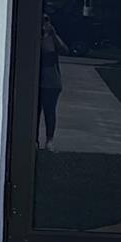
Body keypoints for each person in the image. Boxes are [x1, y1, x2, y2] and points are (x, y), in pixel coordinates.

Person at [38, 16, 68, 150]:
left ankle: (49, 140)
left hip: (51, 81)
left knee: (49, 112)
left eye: (46, 20)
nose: (44, 23)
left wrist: (53, 34)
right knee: (34, 113)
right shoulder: (33, 36)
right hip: (36, 81)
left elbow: (64, 50)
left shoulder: (52, 39)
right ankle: (33, 139)